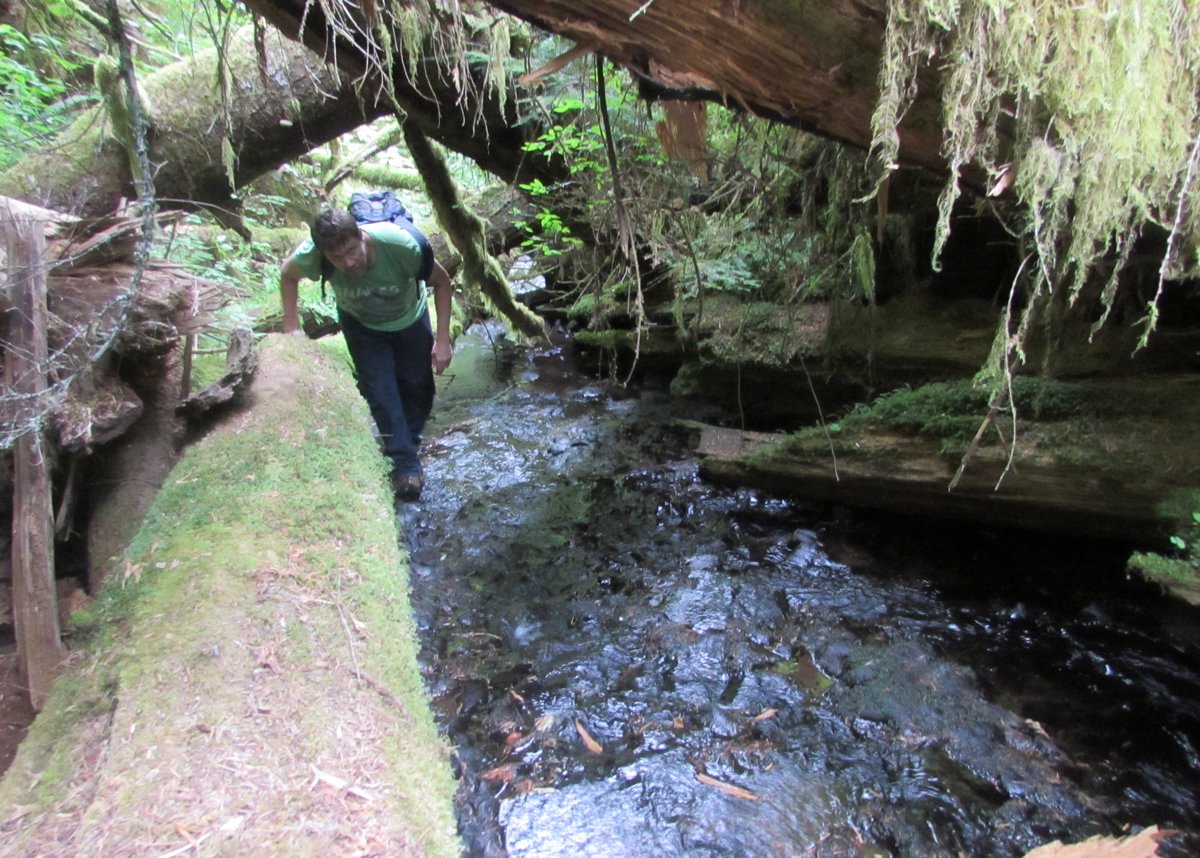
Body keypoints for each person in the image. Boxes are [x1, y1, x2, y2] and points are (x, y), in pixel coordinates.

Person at [279, 208, 454, 500]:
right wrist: (291, 327)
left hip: (410, 318)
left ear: (362, 235)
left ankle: (407, 442)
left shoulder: (400, 247)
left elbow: (443, 281)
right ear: (325, 255)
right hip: (362, 325)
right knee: (381, 392)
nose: (348, 262)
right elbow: (288, 275)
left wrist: (444, 339)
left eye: (352, 250)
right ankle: (406, 466)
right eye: (337, 258)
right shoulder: (313, 254)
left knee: (419, 389)